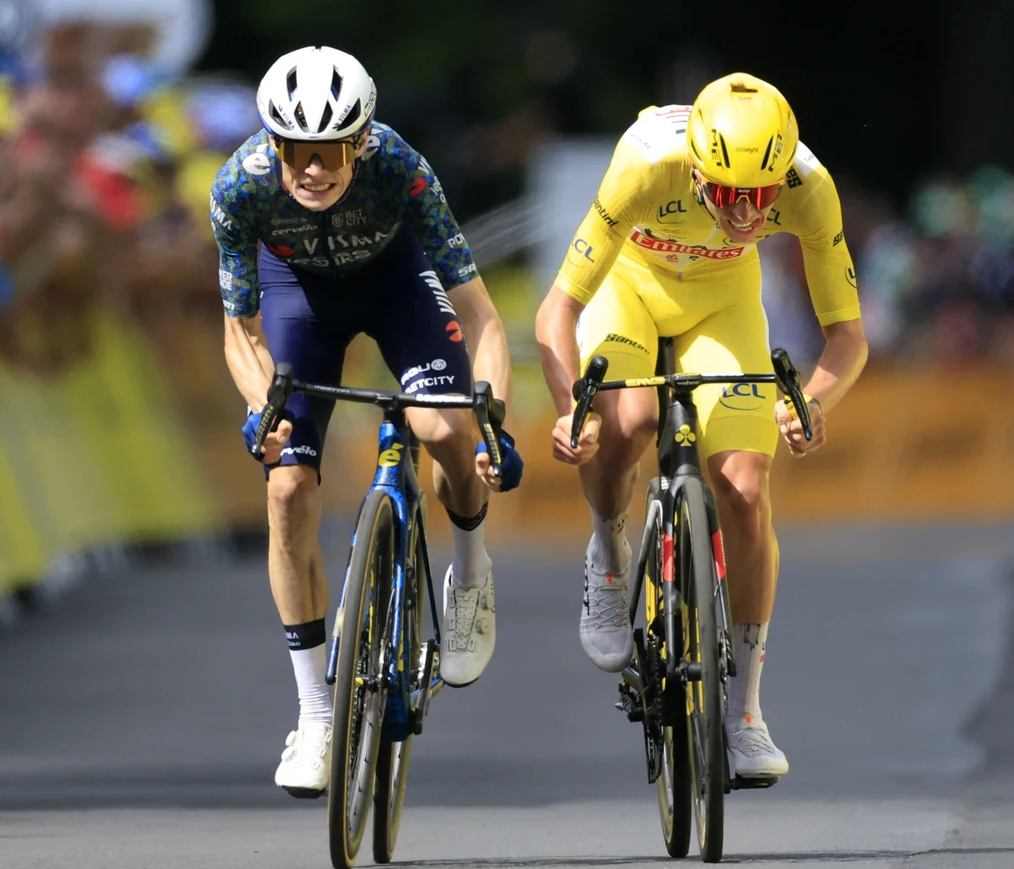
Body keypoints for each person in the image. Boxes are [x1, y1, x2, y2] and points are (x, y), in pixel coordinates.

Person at [532, 73, 868, 782]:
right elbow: (556, 310)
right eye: (726, 195)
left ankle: (745, 711)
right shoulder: (646, 161)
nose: (746, 214)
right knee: (628, 421)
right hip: (630, 292)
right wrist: (571, 407)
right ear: (695, 169)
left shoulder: (808, 183)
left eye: (761, 196)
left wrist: (812, 402)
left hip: (724, 304)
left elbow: (848, 336)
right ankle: (607, 550)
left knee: (744, 487)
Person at [210, 45, 525, 797]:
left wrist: (495, 424)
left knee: (442, 429)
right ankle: (316, 713)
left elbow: (480, 314)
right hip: (298, 296)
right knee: (286, 491)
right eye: (296, 151)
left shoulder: (401, 167)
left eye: (329, 152)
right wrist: (263, 414)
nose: (311, 169)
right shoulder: (240, 186)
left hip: (394, 281)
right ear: (274, 143)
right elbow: (241, 330)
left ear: (359, 141)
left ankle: (472, 576)